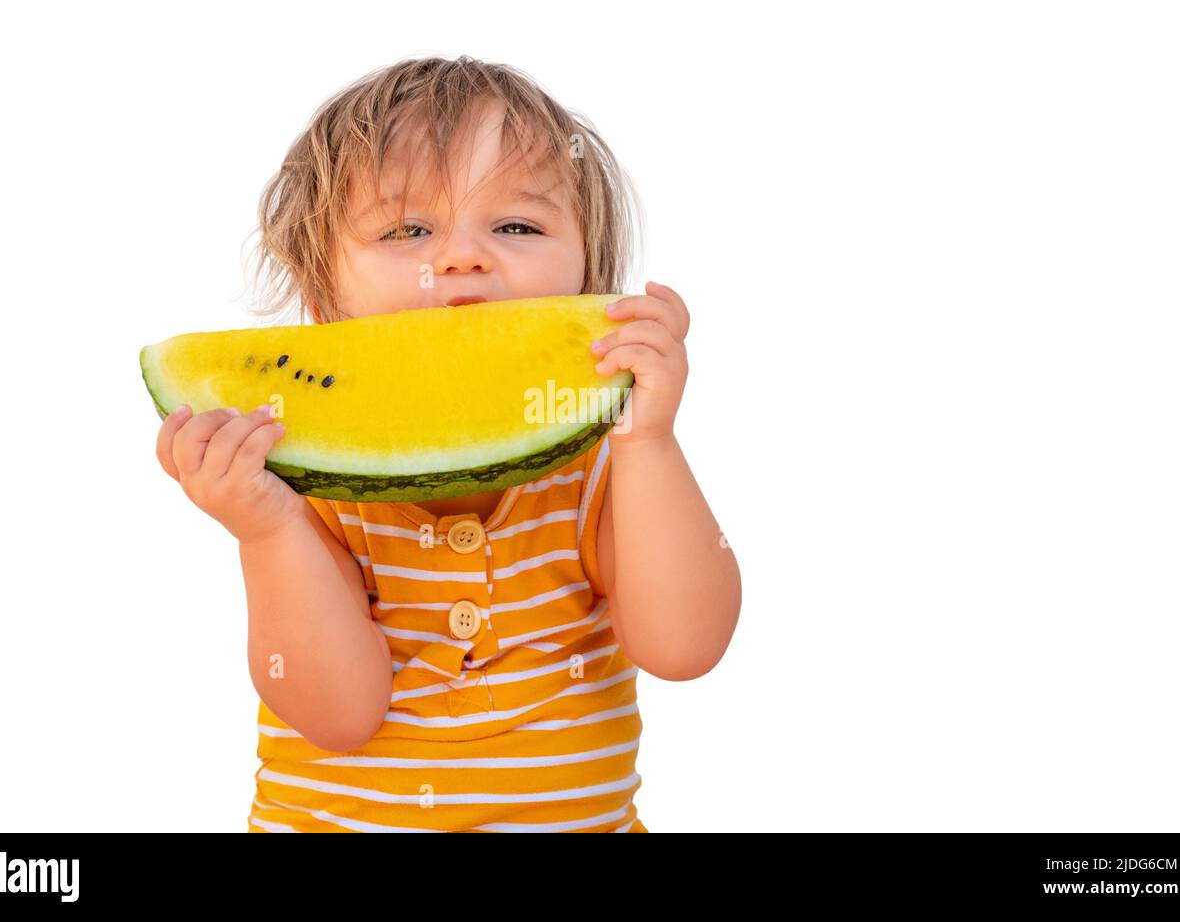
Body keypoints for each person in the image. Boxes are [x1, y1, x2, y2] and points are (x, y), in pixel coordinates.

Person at [153, 55, 741, 832]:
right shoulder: (307, 480)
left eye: (517, 226)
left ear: (589, 280)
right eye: (407, 229)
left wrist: (649, 443)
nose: (462, 257)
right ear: (323, 300)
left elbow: (684, 646)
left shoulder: (602, 465)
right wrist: (266, 528)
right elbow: (338, 713)